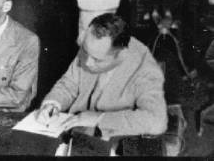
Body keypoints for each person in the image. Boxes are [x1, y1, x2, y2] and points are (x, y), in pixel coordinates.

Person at [35, 13, 167, 139]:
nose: (87, 62)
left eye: (97, 59)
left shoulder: (144, 67)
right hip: (75, 130)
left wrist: (99, 119)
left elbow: (156, 120)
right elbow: (69, 84)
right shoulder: (92, 48)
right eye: (85, 52)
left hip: (115, 138)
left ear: (121, 55)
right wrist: (53, 103)